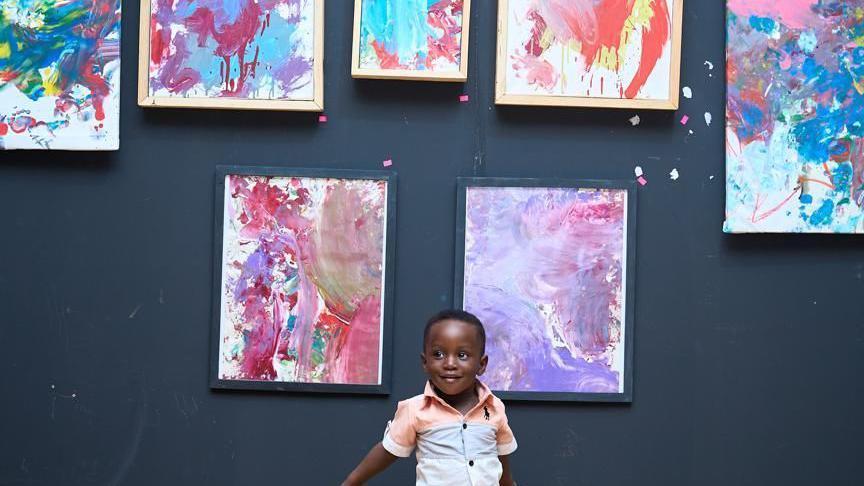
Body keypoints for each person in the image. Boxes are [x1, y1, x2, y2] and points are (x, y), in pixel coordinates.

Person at [342, 309, 517, 486]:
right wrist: (351, 482)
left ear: (482, 364)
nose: (450, 364)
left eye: (462, 355)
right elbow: (387, 451)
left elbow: (502, 467)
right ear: (425, 362)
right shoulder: (415, 410)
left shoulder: (494, 408)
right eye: (438, 354)